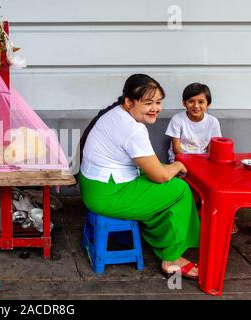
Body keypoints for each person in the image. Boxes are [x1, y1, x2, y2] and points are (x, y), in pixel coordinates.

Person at [79, 74, 200, 279]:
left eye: (159, 102)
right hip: (108, 194)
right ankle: (171, 256)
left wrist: (166, 169)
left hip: (94, 186)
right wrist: (177, 165)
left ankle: (162, 239)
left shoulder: (114, 113)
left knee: (162, 178)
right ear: (129, 102)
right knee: (179, 189)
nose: (155, 108)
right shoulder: (132, 129)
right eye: (148, 103)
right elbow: (160, 176)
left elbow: (148, 165)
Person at [164, 83, 239, 234]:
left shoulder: (212, 122)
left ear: (208, 104)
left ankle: (223, 217)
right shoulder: (178, 119)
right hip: (181, 162)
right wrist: (192, 165)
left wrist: (208, 166)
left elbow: (213, 148)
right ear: (184, 103)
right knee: (189, 190)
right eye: (191, 101)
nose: (196, 106)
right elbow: (177, 149)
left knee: (221, 184)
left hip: (203, 161)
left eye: (201, 102)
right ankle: (192, 218)